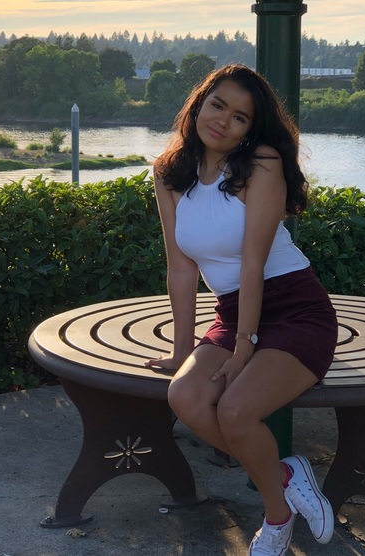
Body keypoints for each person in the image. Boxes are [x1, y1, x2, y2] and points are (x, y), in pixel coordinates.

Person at [146, 64, 338, 555]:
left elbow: (253, 263)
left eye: (240, 117)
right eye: (217, 106)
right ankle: (285, 474)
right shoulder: (169, 174)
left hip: (295, 310)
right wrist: (182, 352)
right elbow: (181, 270)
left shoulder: (262, 165)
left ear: (250, 129)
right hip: (233, 313)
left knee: (234, 411)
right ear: (198, 105)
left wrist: (244, 349)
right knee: (185, 396)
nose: (223, 121)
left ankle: (275, 519)